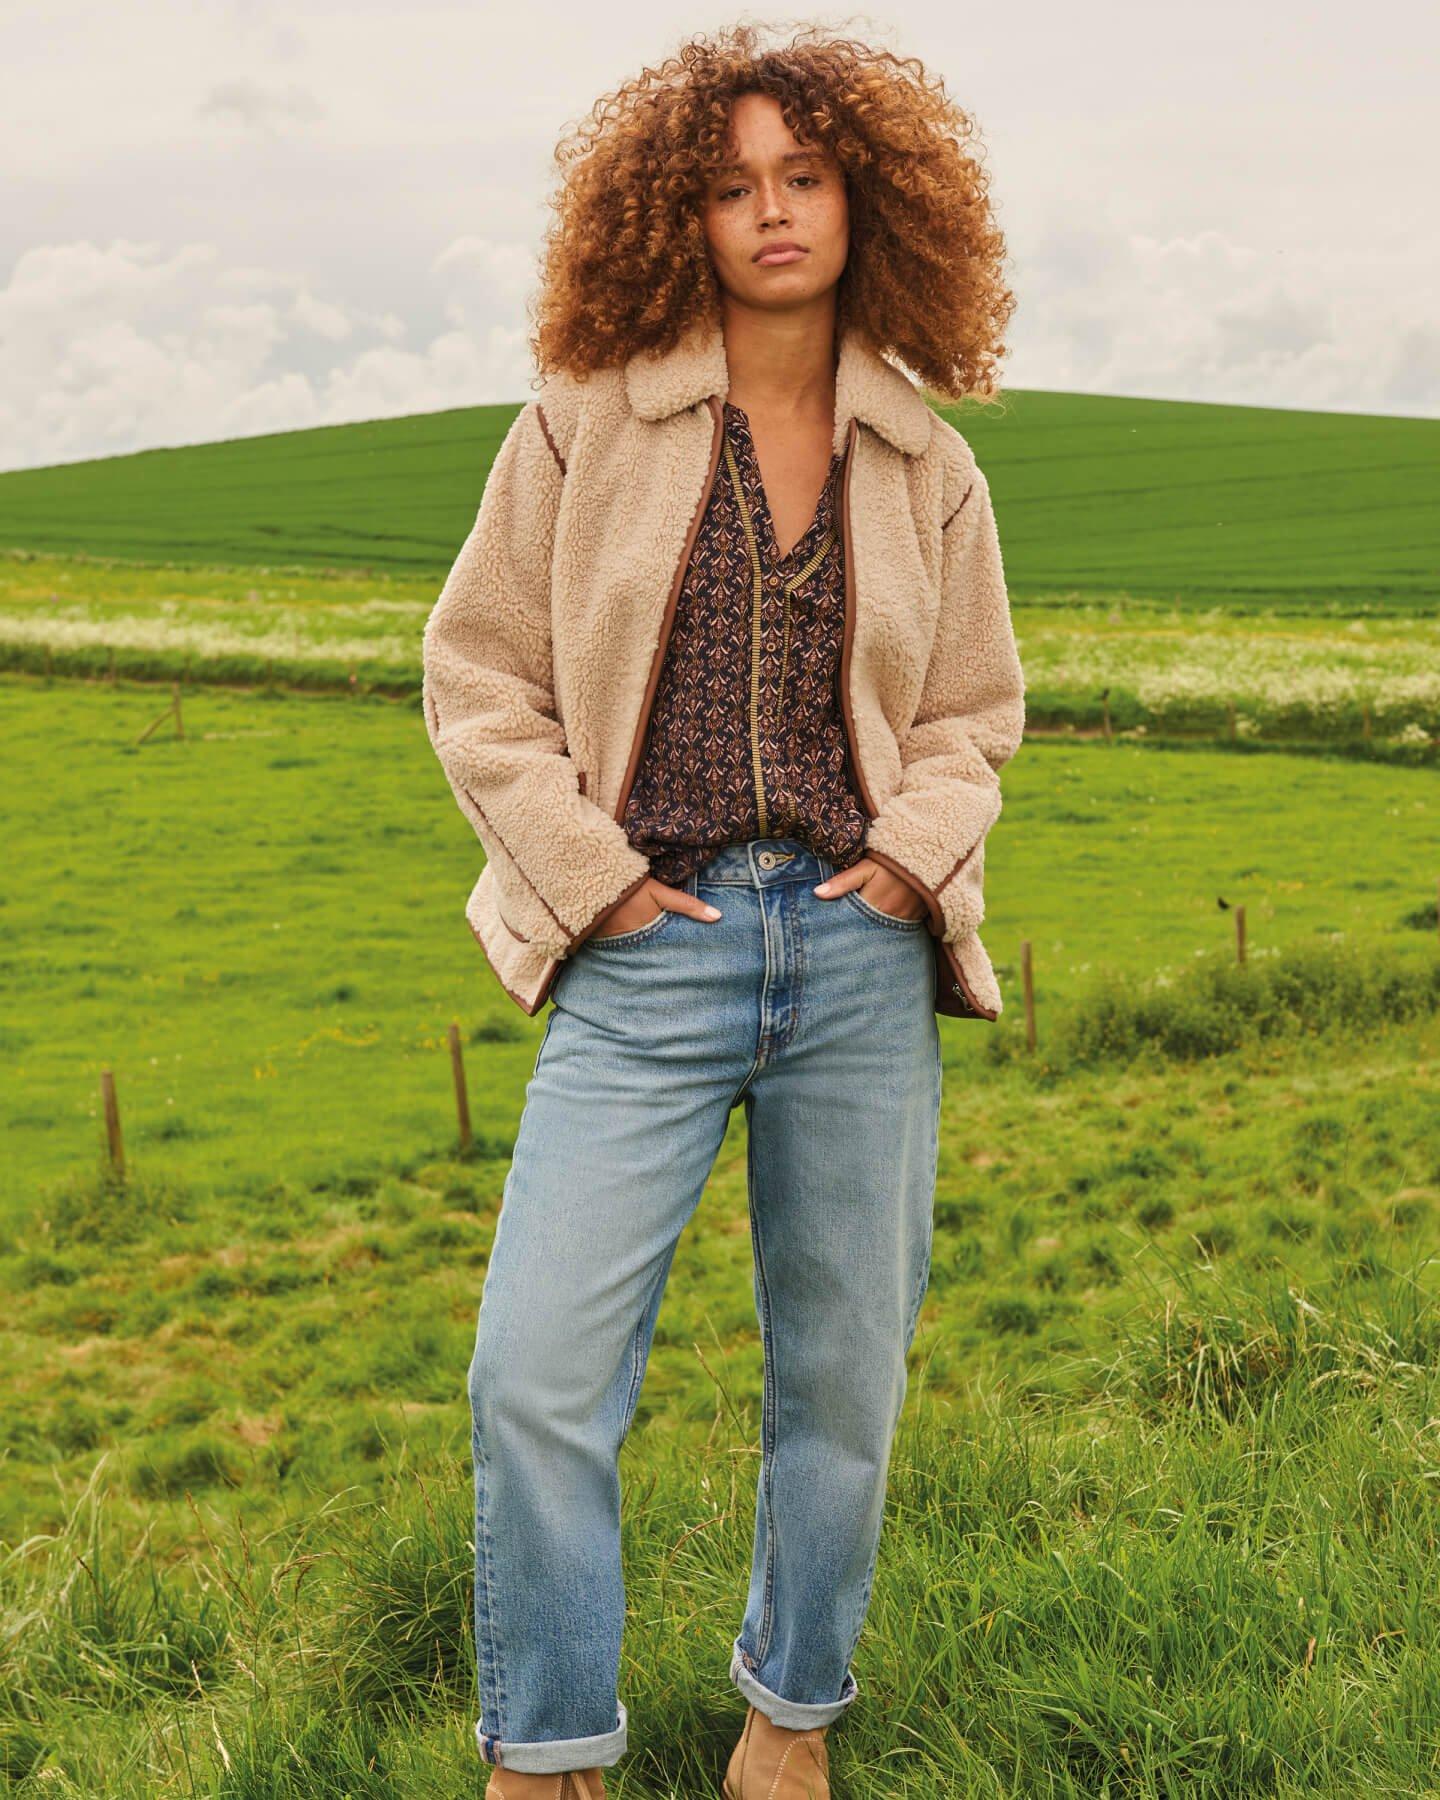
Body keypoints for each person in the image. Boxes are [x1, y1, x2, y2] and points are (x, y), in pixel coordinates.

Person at [421, 24, 1025, 1799]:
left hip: (855, 954)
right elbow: (477, 678)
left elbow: (974, 712)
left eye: (805, 178)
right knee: (533, 1373)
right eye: (732, 184)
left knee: (841, 1379)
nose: (771, 213)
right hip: (643, 948)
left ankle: (790, 1723)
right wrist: (593, 888)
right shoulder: (583, 422)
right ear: (675, 216)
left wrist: (913, 860)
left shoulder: (928, 462)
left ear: (867, 201)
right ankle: (545, 1751)